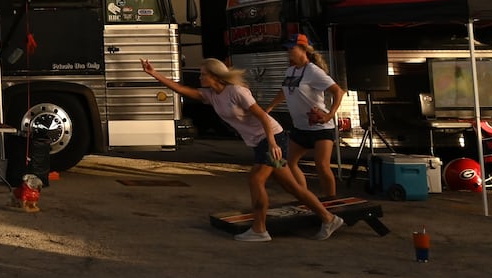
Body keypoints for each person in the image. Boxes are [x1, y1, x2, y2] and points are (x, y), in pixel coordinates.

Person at [142, 56, 344, 242]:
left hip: (271, 138)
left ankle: (259, 229)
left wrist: (273, 143)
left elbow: (262, 116)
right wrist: (155, 74)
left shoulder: (236, 92)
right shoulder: (212, 95)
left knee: (256, 179)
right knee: (292, 187)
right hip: (260, 142)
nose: (200, 77)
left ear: (214, 75)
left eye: (203, 73)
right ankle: (328, 218)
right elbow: (182, 90)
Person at [266, 34, 345, 200]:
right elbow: (284, 90)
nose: (288, 51)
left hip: (321, 128)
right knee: (289, 162)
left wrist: (330, 114)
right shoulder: (291, 70)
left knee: (322, 166)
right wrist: (269, 108)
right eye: (287, 48)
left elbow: (338, 91)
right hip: (300, 127)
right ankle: (305, 198)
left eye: (291, 48)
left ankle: (332, 200)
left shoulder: (314, 71)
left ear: (303, 49)